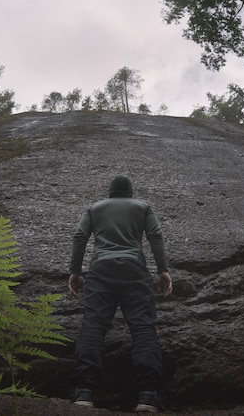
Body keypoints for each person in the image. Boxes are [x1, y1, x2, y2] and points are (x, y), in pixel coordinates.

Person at [68, 175, 173, 413]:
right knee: (143, 328)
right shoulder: (142, 207)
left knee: (93, 325)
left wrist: (75, 272)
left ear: (110, 193)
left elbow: (79, 236)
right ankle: (148, 395)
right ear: (130, 193)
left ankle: (83, 392)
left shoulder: (94, 208)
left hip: (101, 269)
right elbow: (155, 236)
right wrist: (163, 270)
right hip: (134, 268)